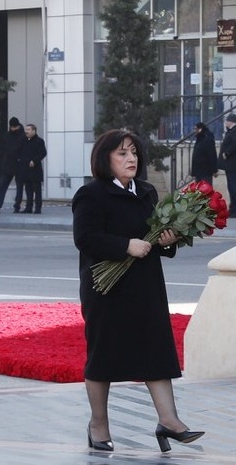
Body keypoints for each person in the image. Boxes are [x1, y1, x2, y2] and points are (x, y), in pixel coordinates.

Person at [72, 129, 204, 453]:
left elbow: (153, 241)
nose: (131, 159)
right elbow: (85, 238)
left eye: (133, 152)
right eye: (122, 153)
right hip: (106, 289)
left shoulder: (146, 192)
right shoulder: (91, 195)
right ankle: (98, 425)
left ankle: (169, 421)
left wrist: (167, 241)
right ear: (105, 159)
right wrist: (124, 246)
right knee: (103, 356)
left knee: (156, 350)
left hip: (145, 287)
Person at [0, 116, 25, 213]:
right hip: (8, 164)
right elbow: (2, 150)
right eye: (11, 127)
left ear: (17, 126)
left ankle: (17, 207)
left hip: (18, 164)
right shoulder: (9, 135)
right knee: (2, 186)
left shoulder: (22, 136)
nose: (13, 129)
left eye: (14, 127)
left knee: (18, 187)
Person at [218, 113, 236, 218]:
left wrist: (227, 152)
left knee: (234, 186)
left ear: (231, 122)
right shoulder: (233, 132)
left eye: (227, 121)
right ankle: (233, 208)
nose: (225, 123)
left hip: (232, 163)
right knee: (232, 186)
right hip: (230, 164)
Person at [16, 123, 47, 214]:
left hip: (35, 170)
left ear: (34, 131)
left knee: (37, 190)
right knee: (28, 190)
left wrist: (34, 161)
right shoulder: (23, 140)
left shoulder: (39, 141)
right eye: (26, 130)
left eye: (28, 130)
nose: (26, 132)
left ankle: (38, 208)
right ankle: (28, 208)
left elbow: (43, 153)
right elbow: (19, 151)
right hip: (25, 169)